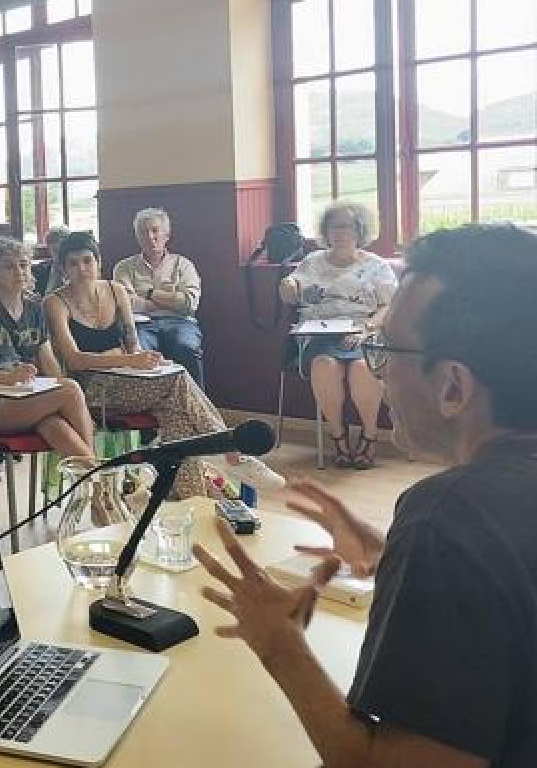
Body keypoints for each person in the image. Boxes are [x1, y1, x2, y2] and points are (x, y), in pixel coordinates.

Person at [195, 222, 537, 768]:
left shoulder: (446, 517)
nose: (379, 366)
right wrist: (394, 555)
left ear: (453, 386)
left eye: (386, 348)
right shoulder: (469, 522)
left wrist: (278, 643)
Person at [44, 231, 283, 499]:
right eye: (73, 263)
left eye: (87, 261)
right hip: (89, 390)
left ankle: (194, 497)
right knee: (178, 378)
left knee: (176, 412)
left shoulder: (116, 290)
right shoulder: (56, 302)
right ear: (63, 268)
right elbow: (75, 359)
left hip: (127, 378)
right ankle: (234, 453)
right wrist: (128, 359)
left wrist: (150, 361)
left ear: (98, 262)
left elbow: (133, 345)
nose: (82, 269)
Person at [278, 202, 398, 469]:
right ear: (326, 232)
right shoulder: (311, 262)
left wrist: (366, 328)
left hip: (362, 333)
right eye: (335, 227)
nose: (341, 233)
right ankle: (338, 436)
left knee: (361, 368)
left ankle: (369, 435)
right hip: (318, 335)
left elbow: (390, 306)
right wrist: (288, 285)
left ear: (360, 231)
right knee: (324, 367)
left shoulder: (377, 266)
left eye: (348, 227)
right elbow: (290, 294)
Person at [0, 237, 96, 460]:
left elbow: (50, 365)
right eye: (9, 267)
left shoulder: (34, 309)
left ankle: (93, 483)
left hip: (32, 397)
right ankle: (101, 480)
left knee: (58, 429)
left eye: (23, 265)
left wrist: (58, 392)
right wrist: (10, 377)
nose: (19, 272)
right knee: (71, 390)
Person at [113, 208, 205, 385]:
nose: (149, 236)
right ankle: (147, 408)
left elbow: (189, 304)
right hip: (140, 324)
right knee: (137, 355)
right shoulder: (123, 267)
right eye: (143, 232)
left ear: (166, 235)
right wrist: (170, 300)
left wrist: (148, 293)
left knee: (186, 347)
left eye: (155, 230)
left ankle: (196, 407)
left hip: (180, 322)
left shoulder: (183, 265)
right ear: (137, 237)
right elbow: (126, 303)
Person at [34, 224, 71, 296]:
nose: (58, 255)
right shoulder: (38, 271)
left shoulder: (76, 269)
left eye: (62, 250)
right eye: (55, 250)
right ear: (49, 249)